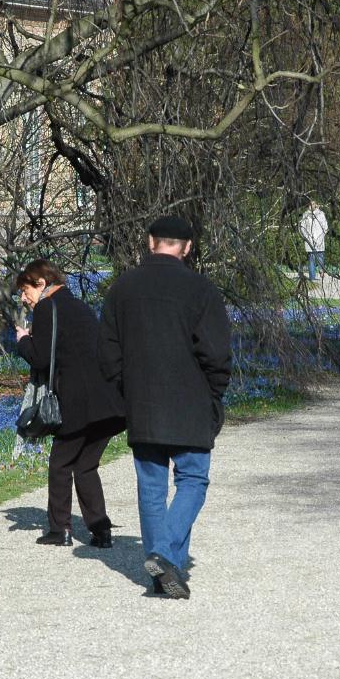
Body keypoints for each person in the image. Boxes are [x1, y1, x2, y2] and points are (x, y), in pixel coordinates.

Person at [98, 216, 231, 599]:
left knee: (152, 487)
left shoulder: (121, 289)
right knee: (193, 480)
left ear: (150, 241)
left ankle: (164, 574)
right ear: (187, 247)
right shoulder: (201, 289)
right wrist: (214, 396)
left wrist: (127, 390)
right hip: (190, 402)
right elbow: (217, 354)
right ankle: (164, 553)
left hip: (143, 402)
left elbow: (107, 355)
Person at [15, 259, 125, 548]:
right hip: (108, 402)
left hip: (79, 403)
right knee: (86, 465)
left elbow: (39, 356)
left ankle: (60, 529)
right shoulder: (80, 306)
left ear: (41, 283)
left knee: (60, 463)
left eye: (26, 290)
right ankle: (101, 531)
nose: (24, 298)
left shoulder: (46, 308)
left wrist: (23, 340)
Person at [298, 200, 329, 281]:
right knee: (311, 259)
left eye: (314, 204)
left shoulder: (321, 214)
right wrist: (306, 237)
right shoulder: (306, 215)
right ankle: (312, 278)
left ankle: (321, 270)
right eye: (311, 204)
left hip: (319, 239)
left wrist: (321, 236)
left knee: (320, 257)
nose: (312, 205)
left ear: (316, 205)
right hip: (309, 240)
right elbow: (302, 227)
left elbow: (325, 227)